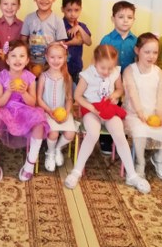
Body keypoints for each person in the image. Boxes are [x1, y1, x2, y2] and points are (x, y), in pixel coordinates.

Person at [64, 45, 150, 193]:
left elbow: (119, 89)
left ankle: (132, 175)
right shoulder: (87, 75)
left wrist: (114, 95)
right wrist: (92, 108)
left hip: (108, 108)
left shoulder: (115, 72)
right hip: (91, 108)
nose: (106, 72)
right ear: (95, 61)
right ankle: (76, 171)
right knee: (93, 134)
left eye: (110, 68)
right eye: (103, 68)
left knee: (119, 134)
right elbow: (77, 96)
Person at [0, 40, 50, 182]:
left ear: (27, 60)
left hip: (24, 110)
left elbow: (32, 103)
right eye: (13, 56)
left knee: (39, 123)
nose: (17, 59)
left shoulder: (30, 77)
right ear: (7, 60)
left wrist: (24, 92)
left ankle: (30, 163)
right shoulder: (2, 76)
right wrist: (8, 91)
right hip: (6, 111)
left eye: (21, 56)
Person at [123, 33, 162, 181]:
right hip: (135, 112)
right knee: (140, 131)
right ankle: (140, 162)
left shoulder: (158, 72)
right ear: (137, 50)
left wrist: (159, 115)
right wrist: (140, 113)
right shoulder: (130, 70)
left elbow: (161, 95)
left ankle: (158, 159)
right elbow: (132, 93)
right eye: (147, 52)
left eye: (155, 52)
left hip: (156, 112)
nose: (151, 56)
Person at [98, 0, 137, 154]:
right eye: (121, 17)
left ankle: (121, 139)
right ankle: (105, 139)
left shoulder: (136, 41)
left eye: (129, 17)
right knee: (108, 108)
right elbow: (99, 61)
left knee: (124, 109)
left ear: (134, 19)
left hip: (128, 82)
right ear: (113, 19)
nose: (125, 20)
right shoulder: (106, 40)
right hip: (110, 81)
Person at [36, 42, 77, 172]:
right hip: (47, 111)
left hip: (63, 111)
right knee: (53, 133)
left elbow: (69, 98)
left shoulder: (67, 77)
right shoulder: (43, 76)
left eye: (59, 57)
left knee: (70, 134)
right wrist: (49, 111)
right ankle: (50, 152)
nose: (56, 60)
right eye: (52, 57)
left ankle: (58, 148)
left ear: (65, 58)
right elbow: (39, 98)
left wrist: (67, 112)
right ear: (47, 58)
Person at [21, 0, 68, 72]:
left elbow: (61, 46)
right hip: (31, 65)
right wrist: (26, 60)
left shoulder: (58, 21)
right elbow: (23, 41)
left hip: (50, 66)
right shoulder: (29, 18)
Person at [61, 0, 92, 84]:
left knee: (76, 90)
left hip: (77, 67)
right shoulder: (60, 25)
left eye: (76, 10)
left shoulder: (82, 26)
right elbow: (56, 45)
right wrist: (71, 43)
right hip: (61, 67)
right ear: (63, 9)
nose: (73, 14)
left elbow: (89, 42)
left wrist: (79, 28)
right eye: (69, 10)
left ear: (80, 9)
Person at [0, 0, 23, 71]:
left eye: (13, 4)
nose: (9, 7)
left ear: (19, 6)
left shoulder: (23, 25)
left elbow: (25, 46)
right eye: (5, 4)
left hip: (15, 69)